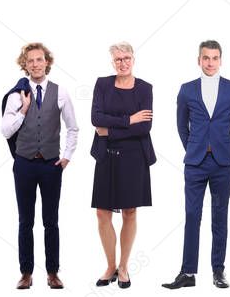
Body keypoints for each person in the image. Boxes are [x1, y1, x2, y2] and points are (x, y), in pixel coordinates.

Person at [163, 40, 230, 290]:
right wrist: (193, 148)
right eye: (206, 58)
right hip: (195, 163)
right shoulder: (187, 89)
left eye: (214, 58)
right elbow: (181, 126)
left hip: (223, 164)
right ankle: (188, 273)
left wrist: (229, 151)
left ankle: (218, 270)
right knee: (192, 215)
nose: (210, 62)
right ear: (198, 60)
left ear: (221, 60)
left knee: (219, 216)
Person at [1, 42, 79, 289]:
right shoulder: (17, 94)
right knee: (25, 220)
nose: (35, 64)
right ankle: (26, 273)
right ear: (25, 65)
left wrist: (65, 157)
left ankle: (53, 272)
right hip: (24, 164)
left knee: (51, 221)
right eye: (30, 61)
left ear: (47, 62)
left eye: (39, 59)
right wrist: (23, 110)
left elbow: (73, 128)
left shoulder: (61, 92)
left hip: (50, 165)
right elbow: (5, 131)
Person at [91, 42, 155, 289]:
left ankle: (125, 266)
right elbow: (96, 119)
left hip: (134, 158)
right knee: (102, 212)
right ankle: (110, 266)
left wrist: (110, 130)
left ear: (133, 59)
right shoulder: (102, 84)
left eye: (126, 58)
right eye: (118, 59)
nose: (122, 63)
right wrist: (129, 120)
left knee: (130, 211)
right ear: (112, 62)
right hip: (106, 155)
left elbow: (145, 127)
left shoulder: (145, 89)